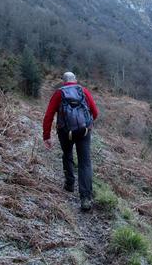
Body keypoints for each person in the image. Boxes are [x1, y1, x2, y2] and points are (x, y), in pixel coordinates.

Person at [43, 72, 99, 211]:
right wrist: (88, 123)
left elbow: (49, 115)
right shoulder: (83, 90)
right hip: (84, 131)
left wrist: (47, 136)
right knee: (85, 163)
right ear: (75, 80)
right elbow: (95, 112)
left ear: (63, 81)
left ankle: (69, 184)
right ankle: (85, 198)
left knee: (67, 154)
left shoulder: (58, 93)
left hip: (65, 132)